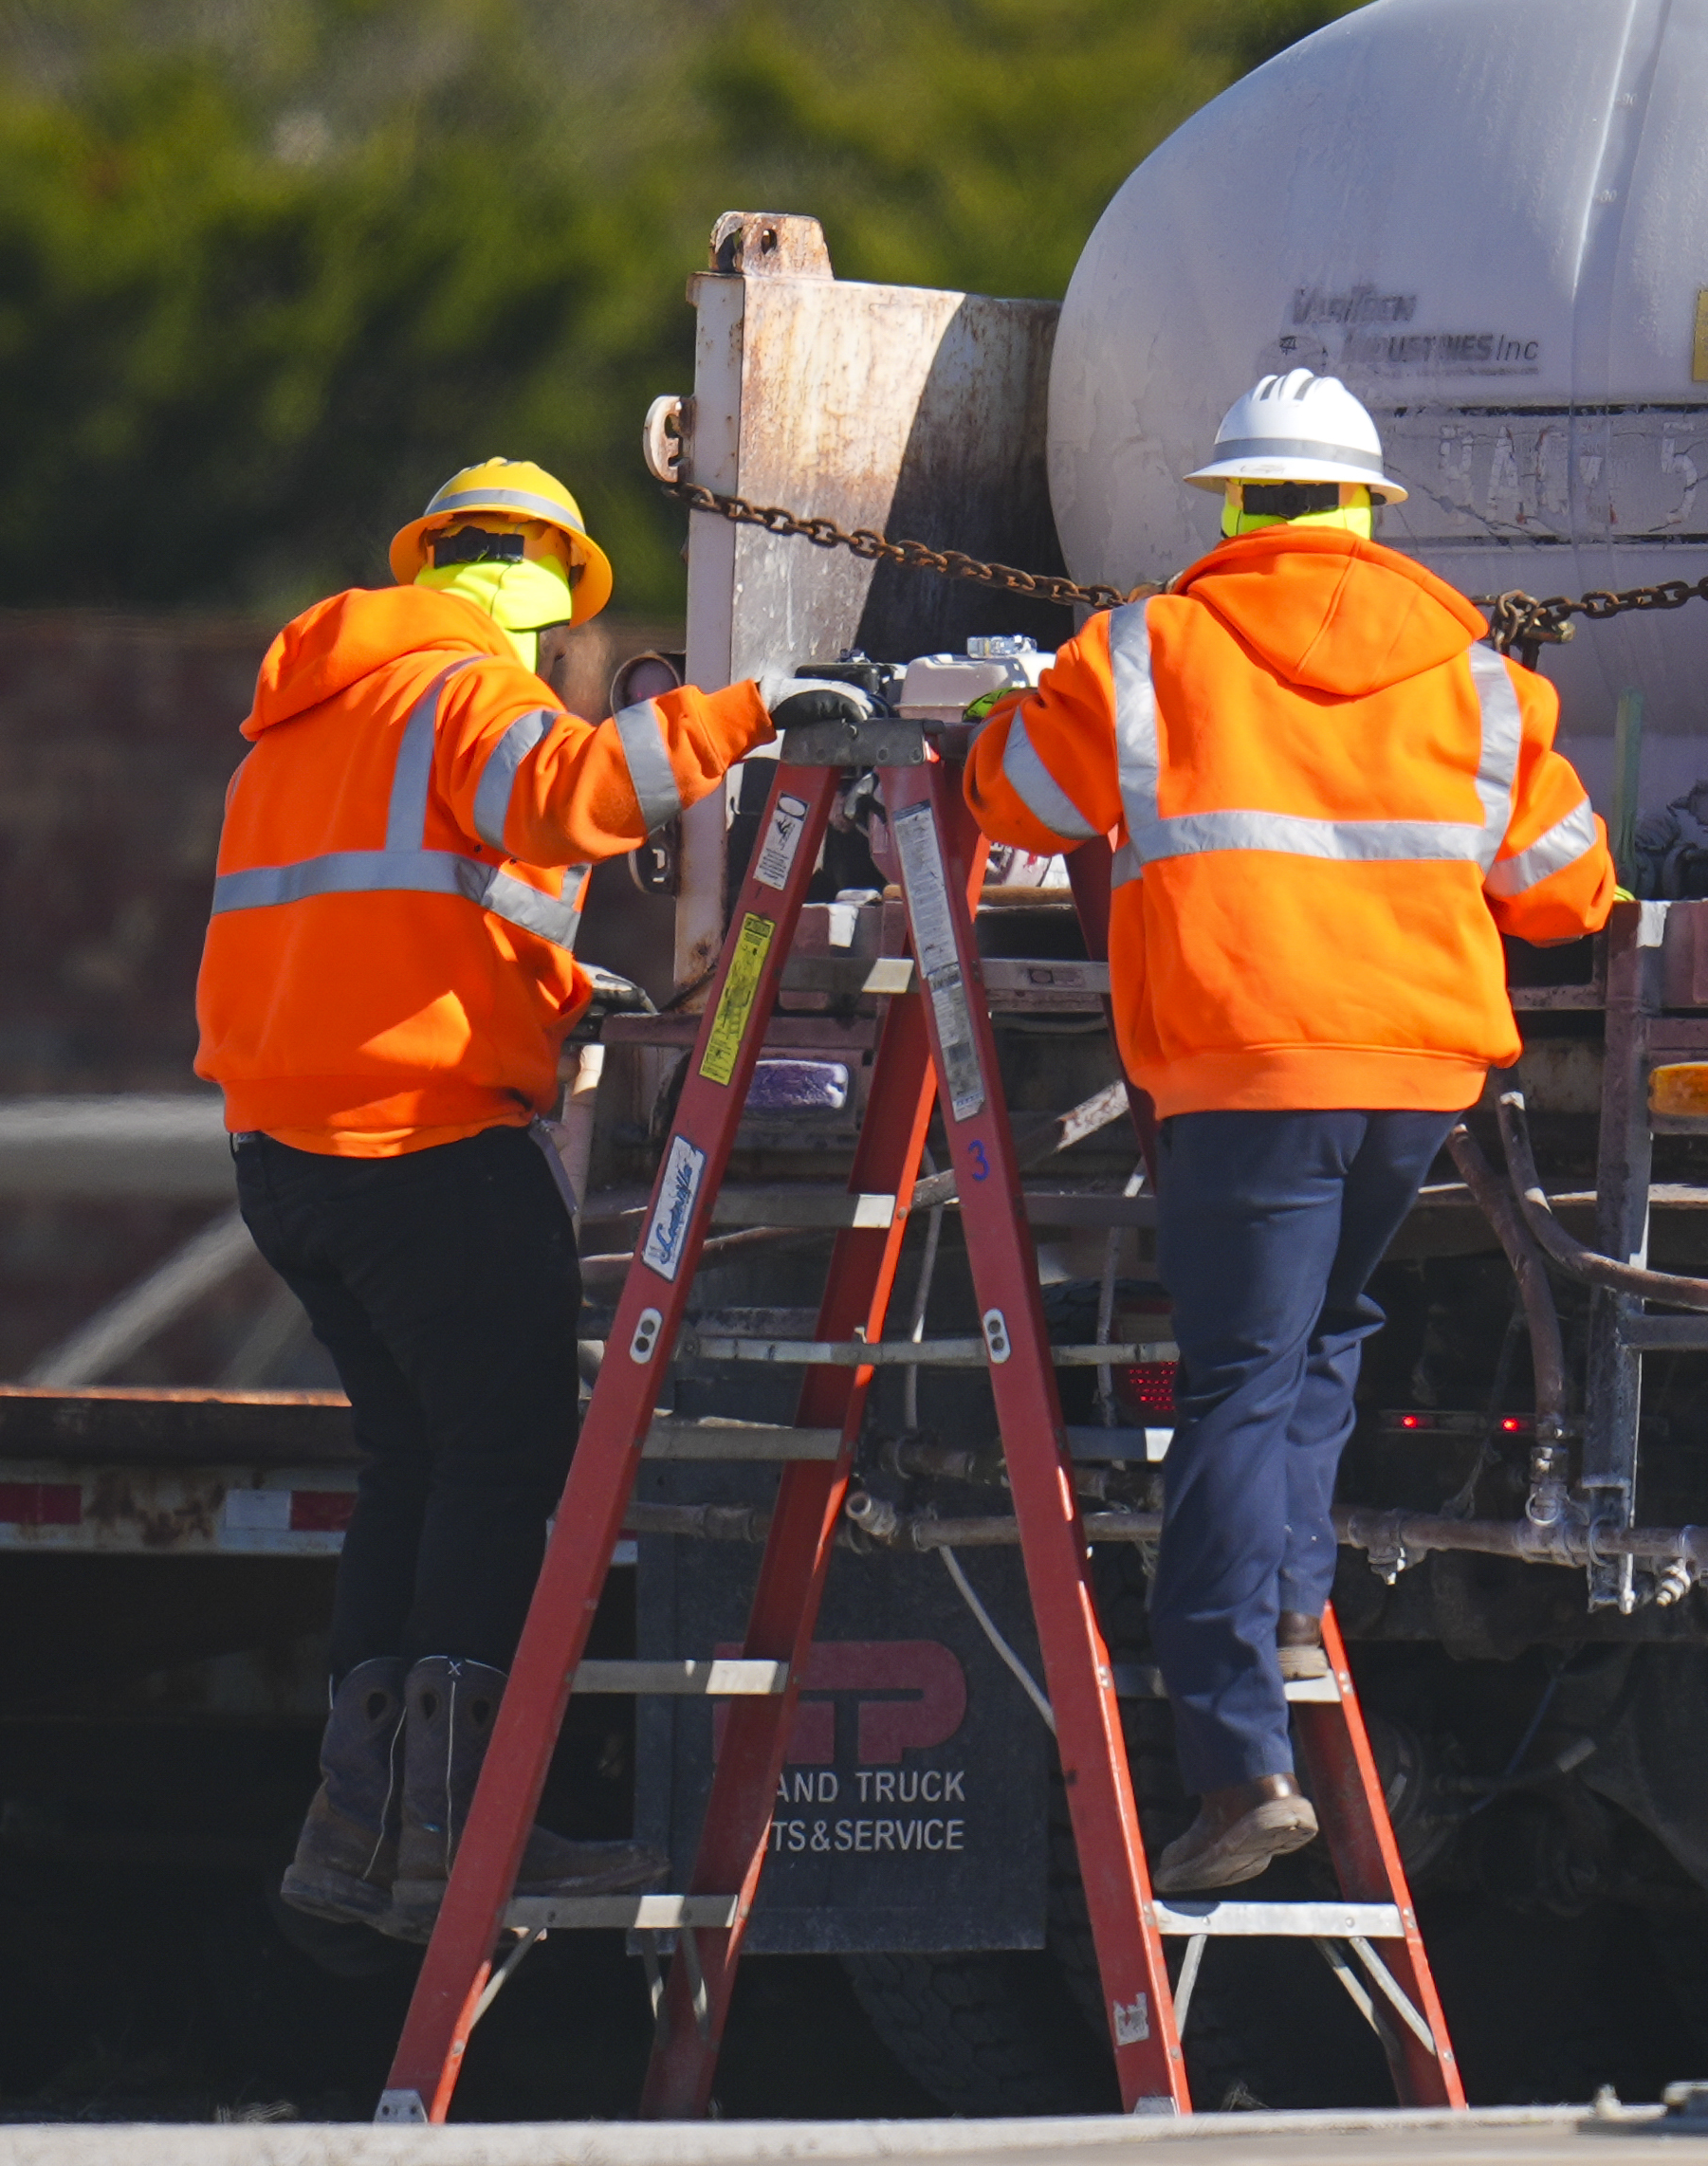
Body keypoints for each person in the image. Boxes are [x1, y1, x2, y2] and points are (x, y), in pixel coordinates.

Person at [964, 373, 1617, 1892]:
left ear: (1233, 502)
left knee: (1240, 1382)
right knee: (1326, 1338)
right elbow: (1570, 887)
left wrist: (1004, 719)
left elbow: (1016, 793)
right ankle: (1286, 1606)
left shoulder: (1148, 651)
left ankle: (1237, 1757)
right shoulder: (1474, 676)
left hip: (1245, 1069)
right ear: (1368, 512)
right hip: (1411, 1080)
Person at [196, 458, 867, 1937]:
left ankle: (354, 1821)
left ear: (430, 555)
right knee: (505, 1463)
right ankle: (464, 1832)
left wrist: (552, 994)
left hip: (288, 1158)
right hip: (427, 1146)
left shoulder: (302, 718)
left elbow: (395, 921)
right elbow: (570, 797)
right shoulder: (466, 690)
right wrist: (756, 710)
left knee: (413, 1465)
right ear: (557, 589)